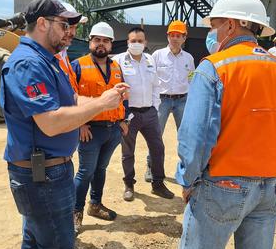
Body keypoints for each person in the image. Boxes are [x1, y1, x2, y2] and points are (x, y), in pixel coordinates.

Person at [175, 0, 276, 249]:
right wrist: (274, 163)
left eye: (213, 25)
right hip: (271, 187)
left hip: (222, 186)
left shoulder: (213, 67)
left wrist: (188, 179)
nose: (211, 33)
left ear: (229, 25)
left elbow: (195, 139)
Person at [0, 0, 128, 249]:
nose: (71, 31)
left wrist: (105, 99)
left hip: (47, 172)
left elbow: (69, 101)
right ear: (43, 24)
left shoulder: (46, 60)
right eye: (65, 24)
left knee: (35, 242)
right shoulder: (29, 64)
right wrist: (101, 104)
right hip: (42, 177)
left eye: (73, 25)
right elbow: (50, 122)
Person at [71, 22, 128, 233]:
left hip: (112, 130)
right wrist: (80, 123)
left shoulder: (116, 67)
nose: (101, 44)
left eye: (105, 41)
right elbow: (71, 98)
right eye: (97, 40)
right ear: (90, 42)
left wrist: (124, 120)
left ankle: (95, 205)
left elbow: (122, 95)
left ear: (111, 44)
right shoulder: (78, 65)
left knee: (100, 169)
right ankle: (75, 212)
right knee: (85, 171)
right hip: (90, 131)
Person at [113, 27, 174, 201]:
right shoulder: (118, 61)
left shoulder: (149, 60)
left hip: (149, 113)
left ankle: (158, 183)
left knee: (157, 148)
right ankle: (129, 184)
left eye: (140, 41)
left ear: (145, 43)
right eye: (133, 41)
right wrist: (122, 115)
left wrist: (155, 106)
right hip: (129, 115)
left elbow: (156, 85)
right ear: (127, 42)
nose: (137, 44)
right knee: (128, 152)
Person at [147, 20, 194, 182]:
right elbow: (150, 79)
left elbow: (191, 79)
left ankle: (185, 169)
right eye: (172, 35)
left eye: (178, 35)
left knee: (185, 136)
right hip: (162, 101)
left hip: (182, 100)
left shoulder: (188, 58)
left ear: (184, 38)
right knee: (155, 135)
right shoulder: (157, 56)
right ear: (167, 37)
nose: (175, 38)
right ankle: (151, 167)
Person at [55, 3, 87, 91]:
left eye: (75, 27)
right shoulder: (48, 56)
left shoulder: (63, 52)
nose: (73, 33)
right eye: (69, 27)